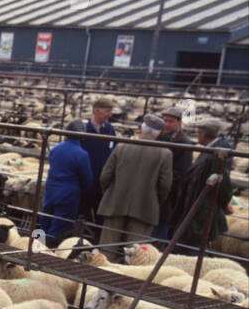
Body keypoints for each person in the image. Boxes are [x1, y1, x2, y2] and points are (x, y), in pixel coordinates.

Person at [97, 115, 172, 251]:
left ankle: (102, 270)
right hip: (145, 208)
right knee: (135, 254)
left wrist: (110, 194)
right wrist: (154, 200)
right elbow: (165, 185)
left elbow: (105, 176)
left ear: (141, 128)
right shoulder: (164, 153)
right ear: (159, 133)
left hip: (115, 204)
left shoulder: (122, 146)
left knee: (107, 248)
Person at [178, 117, 236, 255]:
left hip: (203, 206)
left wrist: (224, 202)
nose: (197, 135)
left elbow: (222, 181)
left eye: (198, 132)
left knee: (196, 244)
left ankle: (199, 271)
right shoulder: (211, 150)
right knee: (190, 241)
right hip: (198, 203)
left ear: (203, 134)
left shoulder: (217, 154)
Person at [37, 119, 96, 244]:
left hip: (51, 188)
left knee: (45, 220)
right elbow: (87, 179)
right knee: (59, 225)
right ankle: (48, 252)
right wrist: (84, 190)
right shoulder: (81, 154)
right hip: (68, 192)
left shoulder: (56, 148)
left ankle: (36, 245)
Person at [153, 104, 193, 242]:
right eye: (165, 121)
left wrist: (161, 180)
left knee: (162, 224)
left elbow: (181, 172)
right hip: (155, 190)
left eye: (171, 121)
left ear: (179, 123)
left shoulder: (184, 143)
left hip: (170, 193)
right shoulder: (160, 138)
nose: (167, 124)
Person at [78, 96, 116, 217]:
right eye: (107, 111)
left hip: (103, 184)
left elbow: (114, 151)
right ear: (96, 111)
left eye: (110, 111)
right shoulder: (84, 131)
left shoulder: (110, 129)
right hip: (86, 183)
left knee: (101, 215)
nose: (110, 115)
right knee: (82, 214)